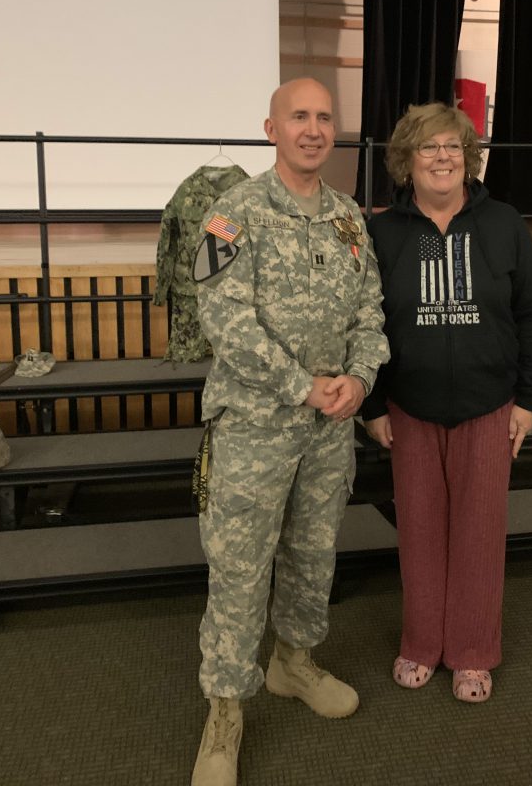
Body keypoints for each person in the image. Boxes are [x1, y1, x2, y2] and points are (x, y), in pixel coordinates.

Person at [190, 77, 389, 786]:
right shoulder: (233, 214)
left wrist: (360, 378)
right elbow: (225, 320)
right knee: (241, 569)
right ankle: (224, 714)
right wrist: (301, 384)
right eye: (297, 116)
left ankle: (293, 663)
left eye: (323, 118)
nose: (312, 128)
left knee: (312, 554)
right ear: (270, 128)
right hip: (253, 426)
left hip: (328, 427)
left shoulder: (347, 219)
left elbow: (371, 312)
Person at [362, 103, 532, 704]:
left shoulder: (504, 224)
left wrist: (528, 402)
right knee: (418, 531)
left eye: (453, 146)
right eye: (428, 147)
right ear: (406, 160)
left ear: (468, 158)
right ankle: (421, 643)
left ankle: (472, 653)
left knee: (479, 533)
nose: (442, 157)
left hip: (489, 406)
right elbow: (362, 324)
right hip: (410, 409)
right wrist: (373, 406)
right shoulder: (382, 233)